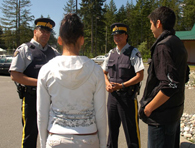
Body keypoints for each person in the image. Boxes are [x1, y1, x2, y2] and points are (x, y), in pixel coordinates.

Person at [36, 13, 107, 148]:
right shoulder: (96, 70)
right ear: (82, 40)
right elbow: (101, 114)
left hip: (56, 137)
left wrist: (43, 144)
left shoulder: (46, 70)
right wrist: (103, 144)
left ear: (59, 40)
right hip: (88, 138)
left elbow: (42, 114)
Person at [139, 6, 188, 148]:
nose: (150, 28)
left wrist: (148, 108)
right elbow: (184, 77)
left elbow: (170, 85)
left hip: (161, 118)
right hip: (174, 112)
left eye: (151, 24)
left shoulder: (163, 46)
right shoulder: (177, 42)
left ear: (158, 23)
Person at [9, 17, 59, 148]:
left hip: (51, 100)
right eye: (42, 31)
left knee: (51, 133)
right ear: (35, 32)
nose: (45, 34)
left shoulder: (53, 52)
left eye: (48, 32)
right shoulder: (25, 49)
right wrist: (40, 82)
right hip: (32, 99)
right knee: (30, 135)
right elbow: (15, 75)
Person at [102, 23, 144, 148]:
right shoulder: (110, 53)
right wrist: (107, 84)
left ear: (126, 35)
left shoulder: (133, 52)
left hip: (127, 97)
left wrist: (122, 85)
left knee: (131, 133)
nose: (117, 38)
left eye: (120, 35)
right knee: (112, 132)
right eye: (114, 35)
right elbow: (103, 73)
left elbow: (140, 76)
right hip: (113, 98)